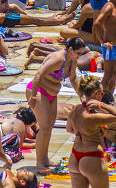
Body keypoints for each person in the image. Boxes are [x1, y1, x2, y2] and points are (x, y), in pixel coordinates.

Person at [60, 76, 116, 188]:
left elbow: (69, 129)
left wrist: (83, 132)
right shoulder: (93, 117)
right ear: (96, 94)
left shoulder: (75, 109)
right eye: (101, 93)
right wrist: (102, 105)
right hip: (92, 157)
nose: (102, 96)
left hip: (75, 156)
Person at [27, 38, 84, 173]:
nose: (80, 56)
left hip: (52, 94)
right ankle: (40, 163)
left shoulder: (72, 61)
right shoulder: (58, 59)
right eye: (78, 53)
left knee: (49, 126)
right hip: (39, 91)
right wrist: (33, 97)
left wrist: (82, 96)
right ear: (70, 50)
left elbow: (73, 79)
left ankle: (45, 159)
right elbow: (38, 75)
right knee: (44, 126)